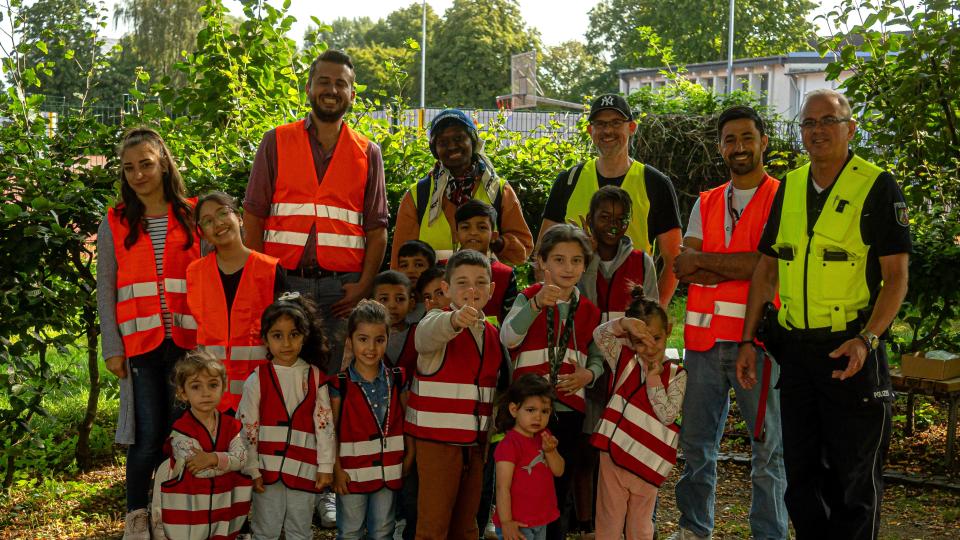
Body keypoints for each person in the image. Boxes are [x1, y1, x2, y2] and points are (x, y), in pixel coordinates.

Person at [736, 89, 910, 539]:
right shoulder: (790, 185)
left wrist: (867, 339)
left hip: (850, 351)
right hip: (796, 355)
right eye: (808, 123)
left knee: (853, 480)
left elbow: (896, 278)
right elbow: (767, 268)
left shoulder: (876, 185)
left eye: (828, 121)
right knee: (801, 478)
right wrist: (748, 340)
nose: (817, 131)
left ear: (850, 129)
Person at [670, 106, 787, 540]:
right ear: (720, 147)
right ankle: (694, 529)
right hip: (702, 343)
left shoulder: (782, 197)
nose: (738, 147)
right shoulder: (707, 201)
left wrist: (710, 261)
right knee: (697, 447)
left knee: (768, 449)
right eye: (730, 140)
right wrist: (739, 265)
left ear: (763, 141)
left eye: (746, 137)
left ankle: (769, 534)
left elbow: (766, 265)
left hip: (758, 344)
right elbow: (685, 266)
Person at [242, 48, 388, 380]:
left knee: (332, 379)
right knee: (282, 377)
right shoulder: (276, 141)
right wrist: (263, 280)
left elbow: (377, 228)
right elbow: (253, 216)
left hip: (342, 292)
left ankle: (327, 435)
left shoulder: (368, 153)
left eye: (341, 84)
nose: (332, 90)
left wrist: (364, 284)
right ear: (309, 87)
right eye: (324, 81)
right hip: (284, 282)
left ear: (352, 93)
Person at [96, 127, 200, 539]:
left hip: (188, 346)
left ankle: (175, 511)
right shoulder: (115, 221)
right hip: (140, 346)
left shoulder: (192, 214)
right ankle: (137, 516)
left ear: (163, 163)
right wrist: (112, 347)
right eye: (129, 167)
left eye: (146, 164)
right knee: (146, 435)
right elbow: (106, 289)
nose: (138, 174)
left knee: (183, 433)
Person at [501, 224, 603, 540]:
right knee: (522, 481)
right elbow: (508, 337)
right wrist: (535, 305)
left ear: (585, 265)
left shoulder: (588, 310)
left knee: (560, 484)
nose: (567, 268)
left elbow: (597, 356)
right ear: (542, 262)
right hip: (528, 411)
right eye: (558, 260)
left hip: (568, 408)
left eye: (575, 261)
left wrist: (589, 374)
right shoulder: (528, 297)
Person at [540, 94, 682, 307]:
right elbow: (542, 250)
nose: (607, 131)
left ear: (632, 127)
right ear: (590, 131)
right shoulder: (569, 181)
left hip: (630, 312)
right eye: (600, 124)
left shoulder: (655, 183)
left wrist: (656, 310)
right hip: (574, 312)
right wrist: (548, 302)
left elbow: (674, 258)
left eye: (616, 123)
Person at [575, 185, 659, 536]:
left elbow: (653, 317)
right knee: (587, 446)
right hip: (588, 366)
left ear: (629, 221)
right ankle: (585, 520)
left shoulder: (642, 262)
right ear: (590, 220)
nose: (611, 224)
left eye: (619, 218)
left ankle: (628, 520)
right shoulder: (580, 258)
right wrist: (589, 257)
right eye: (603, 217)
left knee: (622, 446)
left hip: (628, 371)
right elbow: (580, 304)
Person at [404, 249, 505, 540]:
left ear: (492, 289)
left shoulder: (492, 333)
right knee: (433, 527)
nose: (472, 289)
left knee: (467, 526)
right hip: (437, 445)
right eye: (462, 282)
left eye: (480, 282)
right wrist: (456, 319)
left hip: (474, 447)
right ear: (446, 289)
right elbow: (425, 337)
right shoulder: (436, 321)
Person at [236, 293, 337, 540]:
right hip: (266, 470)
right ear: (265, 339)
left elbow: (325, 426)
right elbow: (247, 426)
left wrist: (325, 467)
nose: (286, 343)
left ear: (304, 337)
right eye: (277, 336)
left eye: (294, 334)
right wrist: (252, 468)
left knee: (299, 529)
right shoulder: (256, 379)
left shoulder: (315, 377)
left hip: (304, 469)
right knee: (265, 529)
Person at [591, 289, 686, 540]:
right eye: (641, 341)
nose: (650, 346)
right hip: (613, 452)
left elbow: (667, 415)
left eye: (656, 337)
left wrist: (654, 380)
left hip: (647, 458)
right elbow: (599, 335)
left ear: (668, 331)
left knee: (641, 524)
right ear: (630, 341)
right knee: (609, 518)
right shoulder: (623, 358)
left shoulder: (677, 375)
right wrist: (622, 323)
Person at [187, 191, 287, 414]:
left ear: (239, 217)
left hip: (261, 391)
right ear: (202, 232)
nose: (218, 224)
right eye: (208, 221)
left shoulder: (269, 269)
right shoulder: (195, 273)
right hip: (210, 394)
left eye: (223, 213)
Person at [391, 108, 533, 265]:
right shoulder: (417, 195)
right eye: (443, 142)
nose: (452, 147)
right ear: (435, 150)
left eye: (459, 138)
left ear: (472, 141)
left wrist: (496, 242)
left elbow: (522, 251)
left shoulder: (498, 190)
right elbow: (400, 261)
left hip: (486, 288)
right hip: (433, 289)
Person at [330, 300, 411, 540]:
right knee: (351, 531)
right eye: (363, 339)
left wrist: (410, 457)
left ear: (388, 338)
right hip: (351, 475)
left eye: (379, 340)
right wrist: (336, 468)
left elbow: (408, 423)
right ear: (350, 340)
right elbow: (331, 431)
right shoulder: (339, 384)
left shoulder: (397, 379)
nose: (371, 348)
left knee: (383, 531)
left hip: (389, 473)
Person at [151, 350, 252, 540]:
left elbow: (243, 458)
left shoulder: (231, 425)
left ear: (223, 388)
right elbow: (200, 471)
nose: (206, 393)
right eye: (196, 387)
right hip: (190, 514)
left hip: (224, 510)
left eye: (213, 385)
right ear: (183, 393)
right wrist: (229, 462)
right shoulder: (181, 431)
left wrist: (212, 458)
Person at [493, 374, 565, 540]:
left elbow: (559, 470)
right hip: (516, 524)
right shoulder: (509, 444)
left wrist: (550, 451)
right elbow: (502, 487)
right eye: (531, 410)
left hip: (540, 519)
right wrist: (506, 522)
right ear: (514, 410)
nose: (538, 417)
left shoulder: (545, 436)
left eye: (545, 411)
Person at [454, 199, 519, 326]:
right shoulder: (442, 270)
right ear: (456, 235)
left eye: (482, 227)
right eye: (466, 227)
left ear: (494, 236)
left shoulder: (505, 274)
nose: (473, 232)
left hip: (492, 343)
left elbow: (510, 324)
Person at [372, 270, 418, 372]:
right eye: (384, 299)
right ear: (373, 303)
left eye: (400, 299)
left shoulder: (419, 333)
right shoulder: (366, 336)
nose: (392, 306)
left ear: (411, 304)